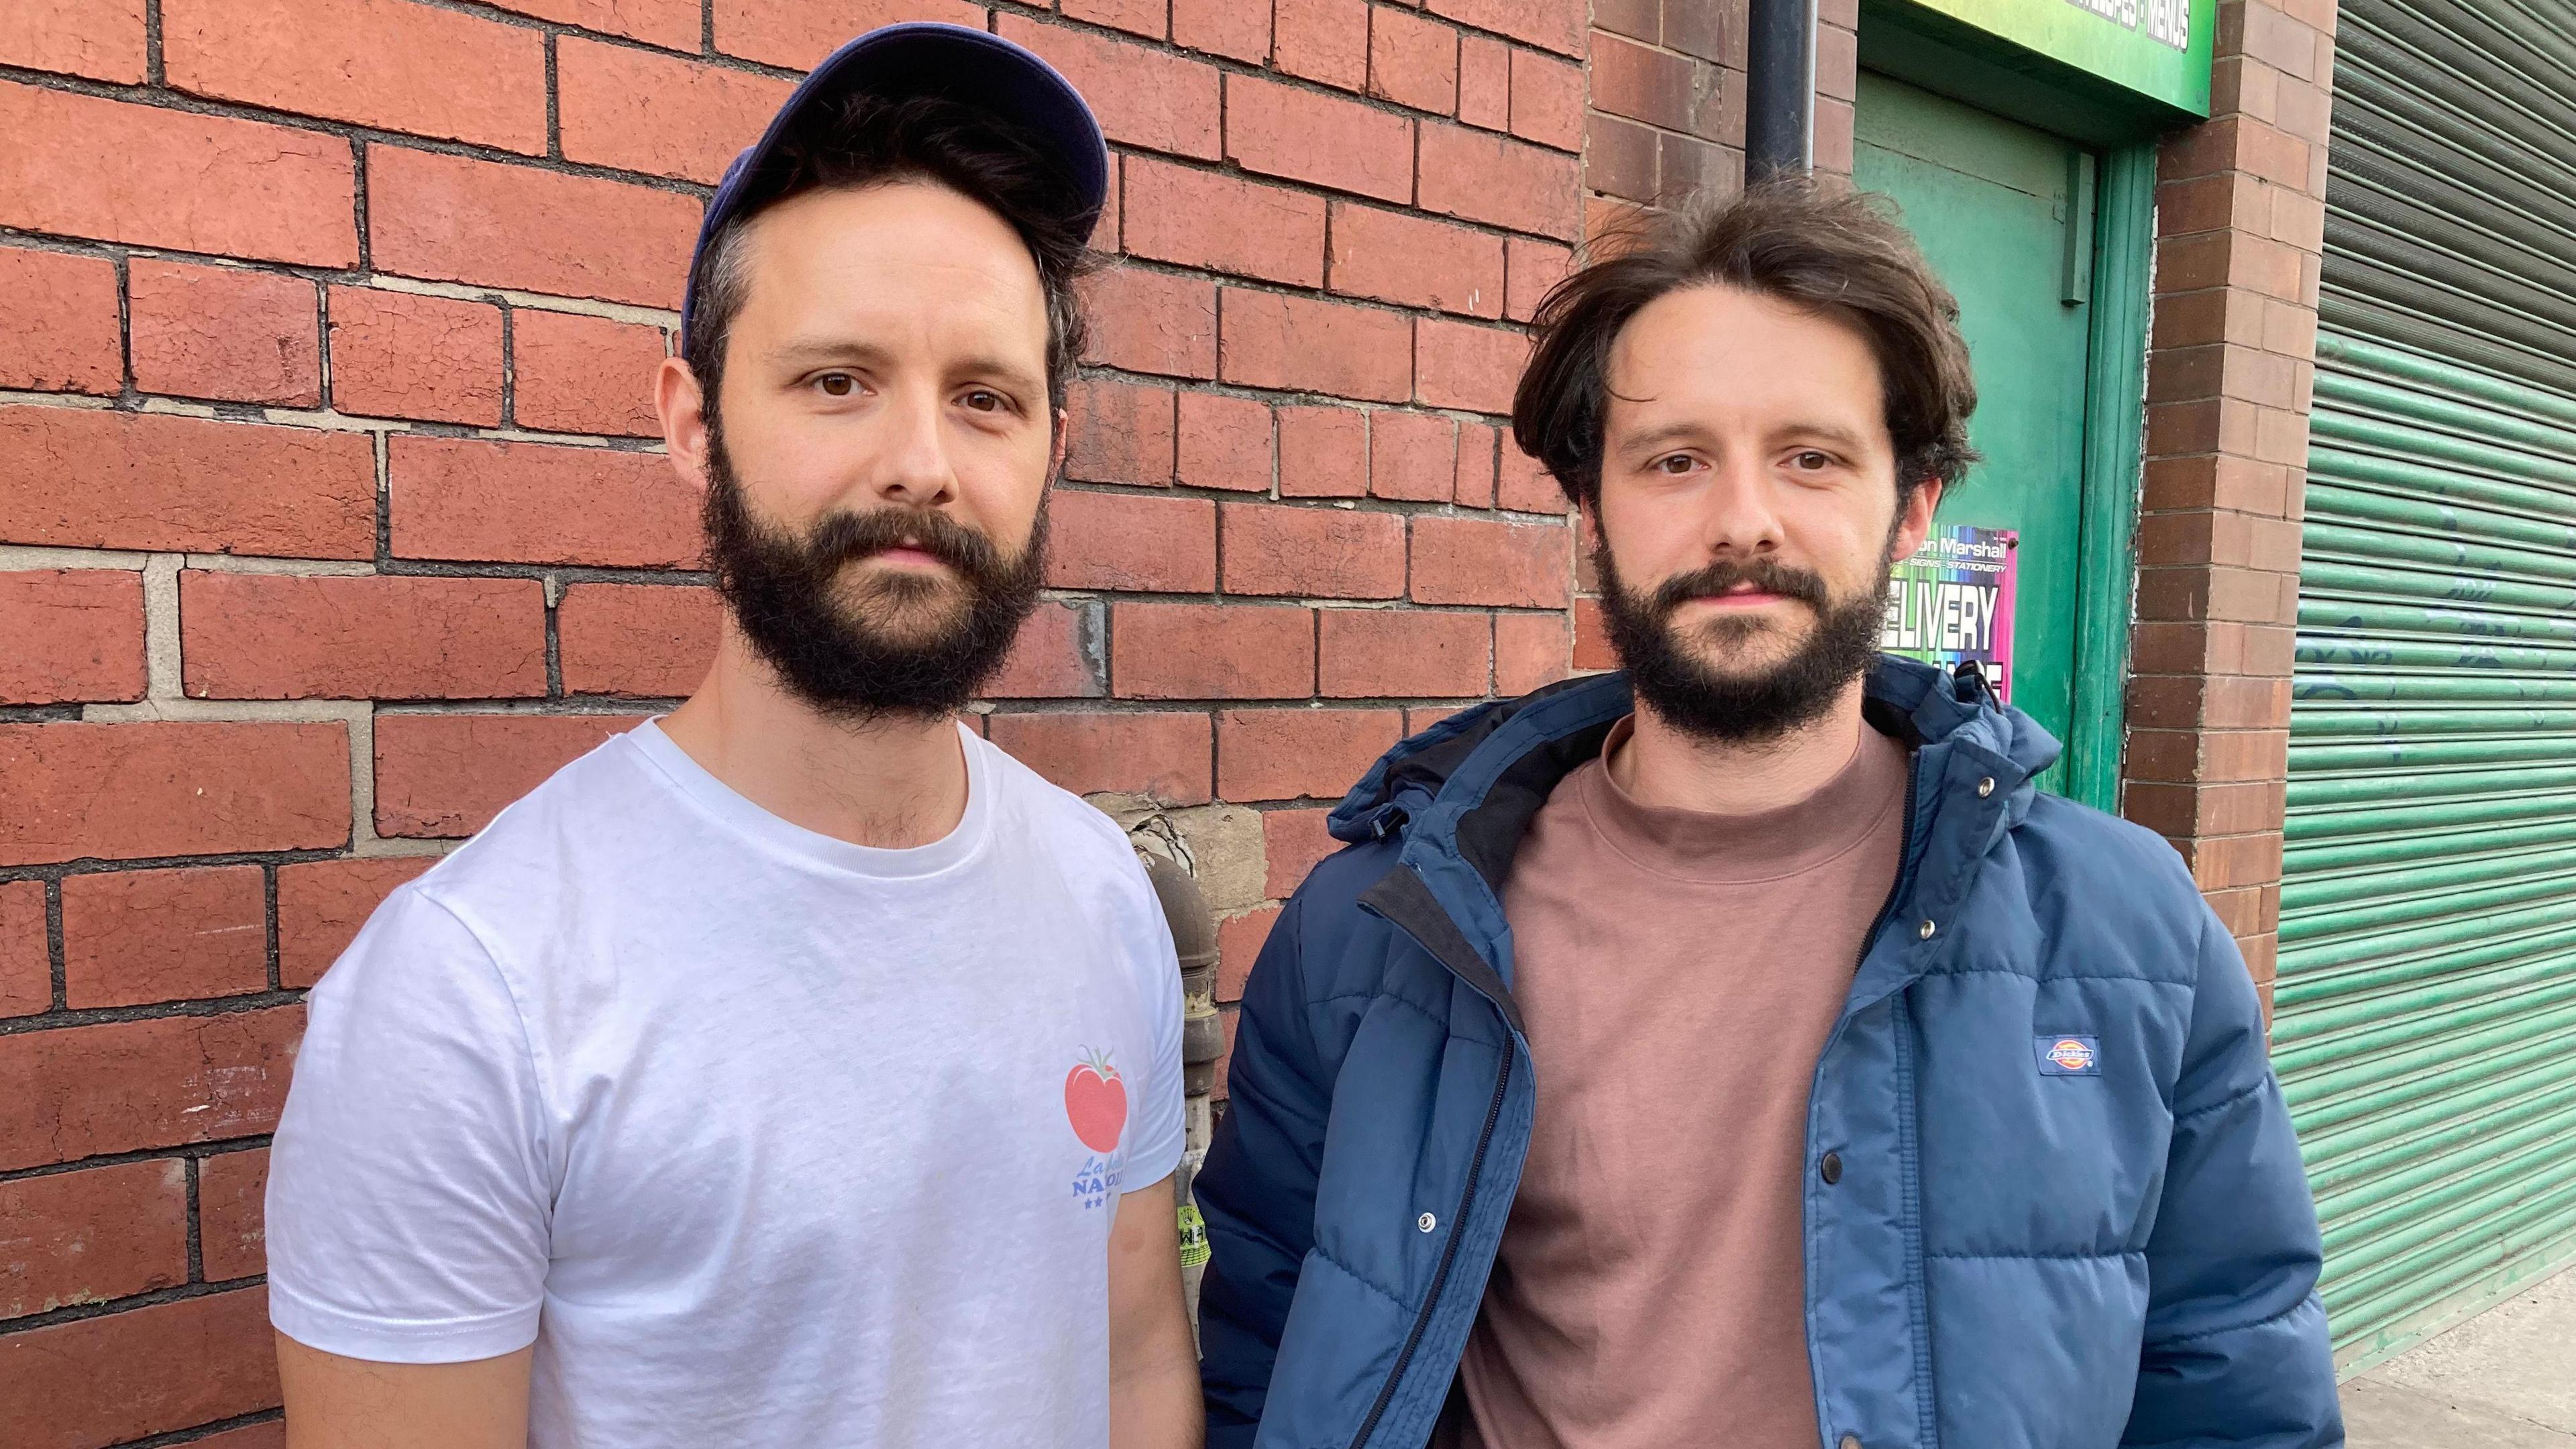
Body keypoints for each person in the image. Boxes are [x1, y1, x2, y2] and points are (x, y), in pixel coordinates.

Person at [1193, 180, 2342, 1449]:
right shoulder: (1375, 937)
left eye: (1811, 457)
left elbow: (2232, 1386)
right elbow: (1263, 1357)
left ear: (1912, 506)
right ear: (1594, 511)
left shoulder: (2133, 937)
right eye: (1676, 460)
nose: (1743, 520)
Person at [264, 24, 1201, 1448]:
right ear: (695, 425)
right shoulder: (469, 994)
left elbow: (1132, 1363)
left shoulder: (1100, 897)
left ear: (1053, 451)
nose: (921, 463)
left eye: (986, 398)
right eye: (838, 381)